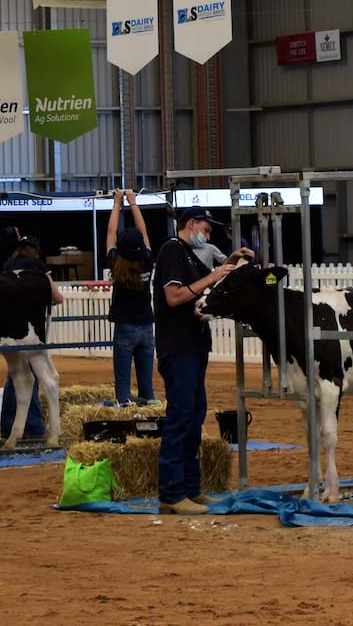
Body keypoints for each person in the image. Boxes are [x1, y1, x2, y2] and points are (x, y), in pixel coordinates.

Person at [153, 208, 244, 515]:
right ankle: (172, 493)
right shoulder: (172, 250)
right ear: (190, 225)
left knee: (193, 417)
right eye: (205, 230)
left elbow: (199, 289)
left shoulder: (187, 255)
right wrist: (216, 274)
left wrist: (226, 265)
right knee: (180, 417)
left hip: (192, 347)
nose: (207, 237)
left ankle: (190, 488)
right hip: (178, 348)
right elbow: (175, 297)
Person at [0, 233, 61, 443]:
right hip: (29, 326)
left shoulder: (8, 265)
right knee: (34, 374)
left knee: (15, 375)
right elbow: (56, 297)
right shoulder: (38, 266)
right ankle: (33, 427)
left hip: (7, 325)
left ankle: (9, 427)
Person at [107, 189, 156, 404]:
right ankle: (151, 419)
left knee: (123, 386)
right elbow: (144, 232)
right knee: (147, 386)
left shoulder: (117, 263)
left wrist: (117, 203)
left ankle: (126, 418)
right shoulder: (147, 259)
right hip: (146, 325)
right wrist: (133, 203)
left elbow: (110, 233)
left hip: (125, 326)